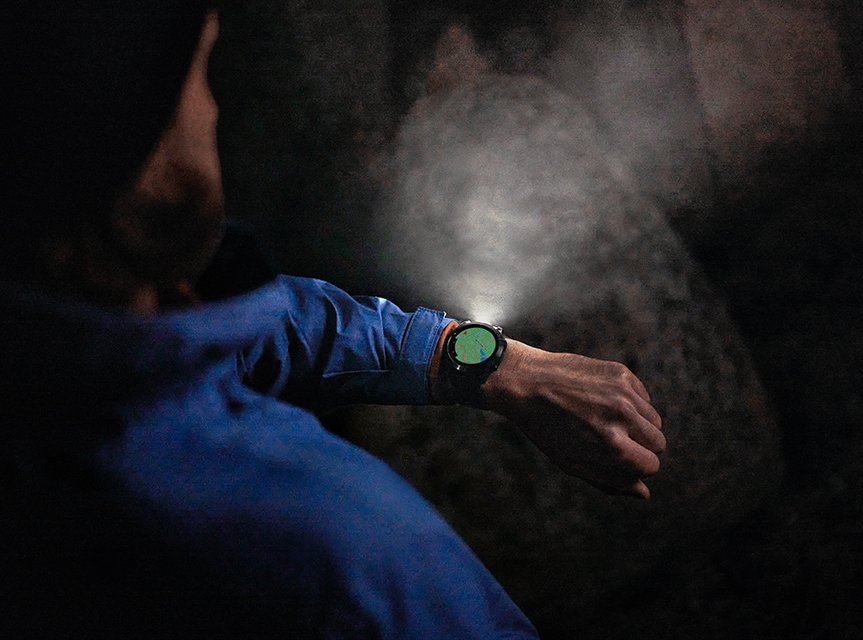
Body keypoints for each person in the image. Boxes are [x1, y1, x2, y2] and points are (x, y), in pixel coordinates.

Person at [1, 3, 665, 637]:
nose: (213, 107)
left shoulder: (66, 333)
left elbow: (269, 327)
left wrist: (488, 361)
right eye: (201, 71)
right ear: (130, 153)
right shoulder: (343, 561)